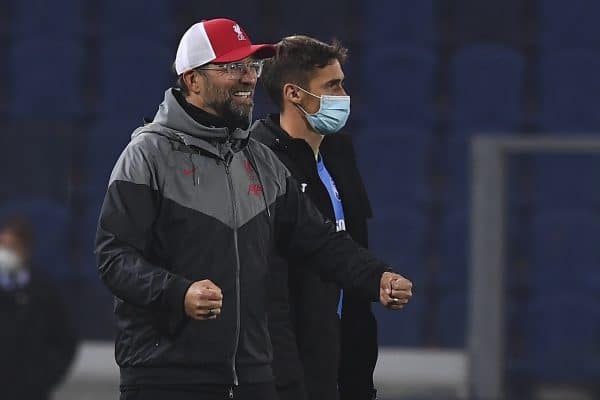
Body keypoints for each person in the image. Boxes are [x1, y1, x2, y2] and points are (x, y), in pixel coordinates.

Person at [95, 18, 413, 400]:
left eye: (252, 66)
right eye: (232, 68)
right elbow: (114, 257)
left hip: (253, 377)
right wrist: (178, 293)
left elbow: (319, 241)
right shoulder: (147, 156)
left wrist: (375, 277)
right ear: (193, 80)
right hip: (168, 377)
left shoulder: (260, 160)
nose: (249, 78)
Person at [251, 35, 379, 400]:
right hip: (292, 358)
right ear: (294, 94)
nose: (344, 95)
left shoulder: (340, 152)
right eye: (333, 85)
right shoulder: (260, 159)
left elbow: (353, 244)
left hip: (348, 350)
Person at [0, 216, 77, 400]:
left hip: (31, 391)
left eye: (11, 248)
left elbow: (65, 339)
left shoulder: (44, 290)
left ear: (25, 250)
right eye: (2, 246)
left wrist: (44, 377)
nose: (4, 253)